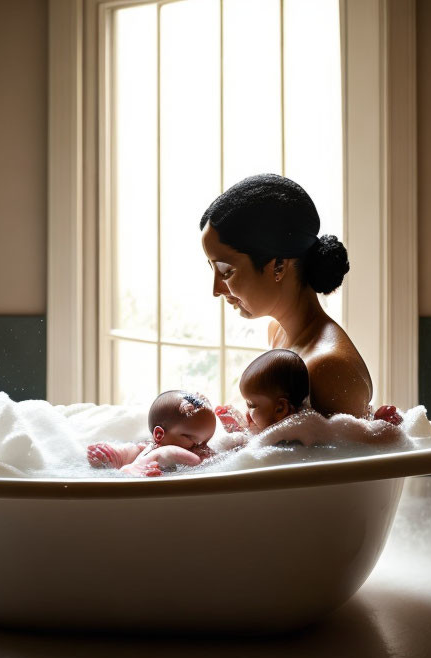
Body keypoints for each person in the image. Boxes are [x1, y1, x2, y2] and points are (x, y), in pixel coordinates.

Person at [201, 174, 373, 419]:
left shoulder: (329, 367)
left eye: (225, 271)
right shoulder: (278, 332)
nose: (216, 289)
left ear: (279, 266)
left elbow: (355, 455)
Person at [87, 390, 216, 476]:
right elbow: (131, 453)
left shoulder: (197, 452)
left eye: (205, 441)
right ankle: (117, 457)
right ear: (159, 435)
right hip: (139, 472)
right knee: (131, 452)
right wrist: (111, 455)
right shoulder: (150, 448)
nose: (200, 446)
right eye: (191, 439)